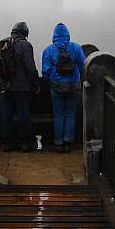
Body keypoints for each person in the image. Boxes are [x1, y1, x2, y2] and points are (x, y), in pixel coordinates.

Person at [42, 23, 85, 152]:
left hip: (56, 86)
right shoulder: (76, 48)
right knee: (70, 114)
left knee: (58, 114)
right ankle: (68, 142)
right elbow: (84, 66)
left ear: (54, 35)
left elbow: (46, 71)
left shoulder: (49, 50)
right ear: (67, 34)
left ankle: (58, 143)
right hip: (73, 85)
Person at [0, 21, 40, 152]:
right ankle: (25, 142)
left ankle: (8, 141)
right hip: (22, 86)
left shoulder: (4, 44)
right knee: (24, 114)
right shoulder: (25, 45)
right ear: (25, 32)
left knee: (6, 114)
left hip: (5, 85)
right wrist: (36, 83)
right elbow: (30, 67)